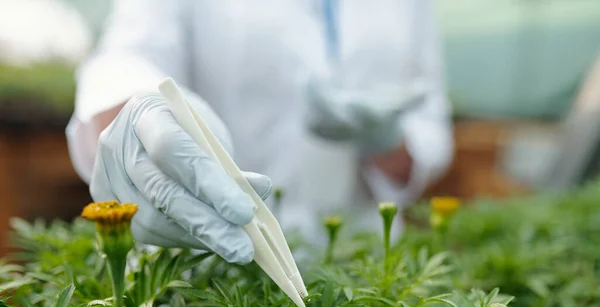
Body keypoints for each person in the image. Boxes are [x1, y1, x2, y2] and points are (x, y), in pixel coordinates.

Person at [66, 0, 454, 265]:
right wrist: (140, 114)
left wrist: (386, 139)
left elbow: (430, 120)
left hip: (363, 265)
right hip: (214, 263)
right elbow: (128, 55)